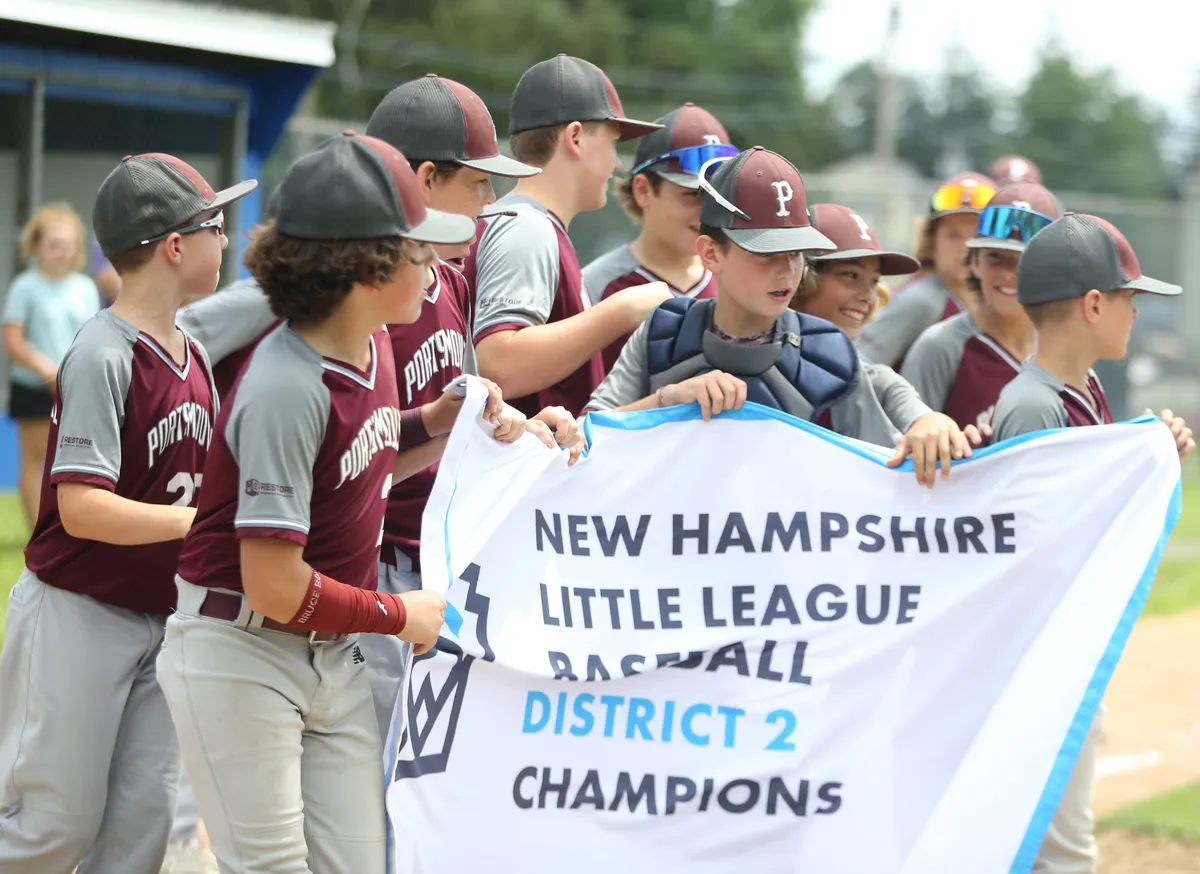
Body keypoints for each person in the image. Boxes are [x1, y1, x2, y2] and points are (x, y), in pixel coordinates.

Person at [155, 132, 476, 874]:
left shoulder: (374, 343)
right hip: (237, 648)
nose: (433, 266)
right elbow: (273, 584)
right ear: (363, 267)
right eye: (417, 251)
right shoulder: (284, 384)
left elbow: (361, 462)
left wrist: (438, 424)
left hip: (328, 651)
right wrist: (398, 616)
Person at [0, 154, 254, 873]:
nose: (226, 241)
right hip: (78, 614)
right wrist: (196, 524)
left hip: (162, 618)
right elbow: (81, 508)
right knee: (51, 826)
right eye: (214, 225)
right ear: (175, 245)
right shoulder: (103, 353)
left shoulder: (196, 355)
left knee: (139, 831)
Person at [362, 73, 585, 738]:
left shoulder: (451, 281)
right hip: (365, 559)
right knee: (378, 783)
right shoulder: (362, 297)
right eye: (478, 183)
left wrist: (514, 432)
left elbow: (453, 416)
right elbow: (354, 449)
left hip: (430, 552)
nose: (489, 202)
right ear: (425, 181)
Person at [992, 213, 1194, 874]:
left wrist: (1149, 453)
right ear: (1094, 303)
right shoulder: (1033, 404)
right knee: (1059, 851)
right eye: (1132, 298)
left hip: (1064, 649)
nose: (1137, 313)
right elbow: (1025, 544)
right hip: (1035, 658)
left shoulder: (1084, 391)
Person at [585, 147, 972, 487]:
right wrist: (668, 400)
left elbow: (887, 474)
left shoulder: (830, 352)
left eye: (795, 252)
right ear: (711, 253)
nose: (786, 271)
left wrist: (926, 426)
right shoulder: (664, 331)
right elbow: (587, 440)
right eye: (765, 252)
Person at [465, 53, 673, 416]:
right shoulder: (527, 228)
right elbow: (498, 365)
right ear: (575, 137)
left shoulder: (528, 222)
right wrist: (621, 310)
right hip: (511, 469)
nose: (616, 163)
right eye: (612, 142)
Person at [584, 102, 735, 372]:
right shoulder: (595, 286)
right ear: (643, 190)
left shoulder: (738, 281)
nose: (706, 213)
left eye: (716, 198)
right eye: (692, 195)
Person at [901, 183, 1064, 431]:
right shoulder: (940, 347)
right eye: (996, 257)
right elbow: (901, 451)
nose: (1010, 273)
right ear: (974, 262)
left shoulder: (1062, 347)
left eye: (1026, 261)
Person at [3, 203, 102, 526]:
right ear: (37, 246)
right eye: (53, 245)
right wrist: (46, 369)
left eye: (67, 245)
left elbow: (92, 336)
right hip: (33, 386)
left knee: (72, 458)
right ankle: (37, 530)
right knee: (35, 458)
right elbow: (13, 340)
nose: (61, 252)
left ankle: (68, 524)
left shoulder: (86, 288)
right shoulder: (24, 286)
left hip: (74, 387)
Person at [857, 171, 996, 369]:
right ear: (931, 242)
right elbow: (858, 365)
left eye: (976, 235)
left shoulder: (986, 303)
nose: (966, 247)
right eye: (953, 235)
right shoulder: (923, 300)